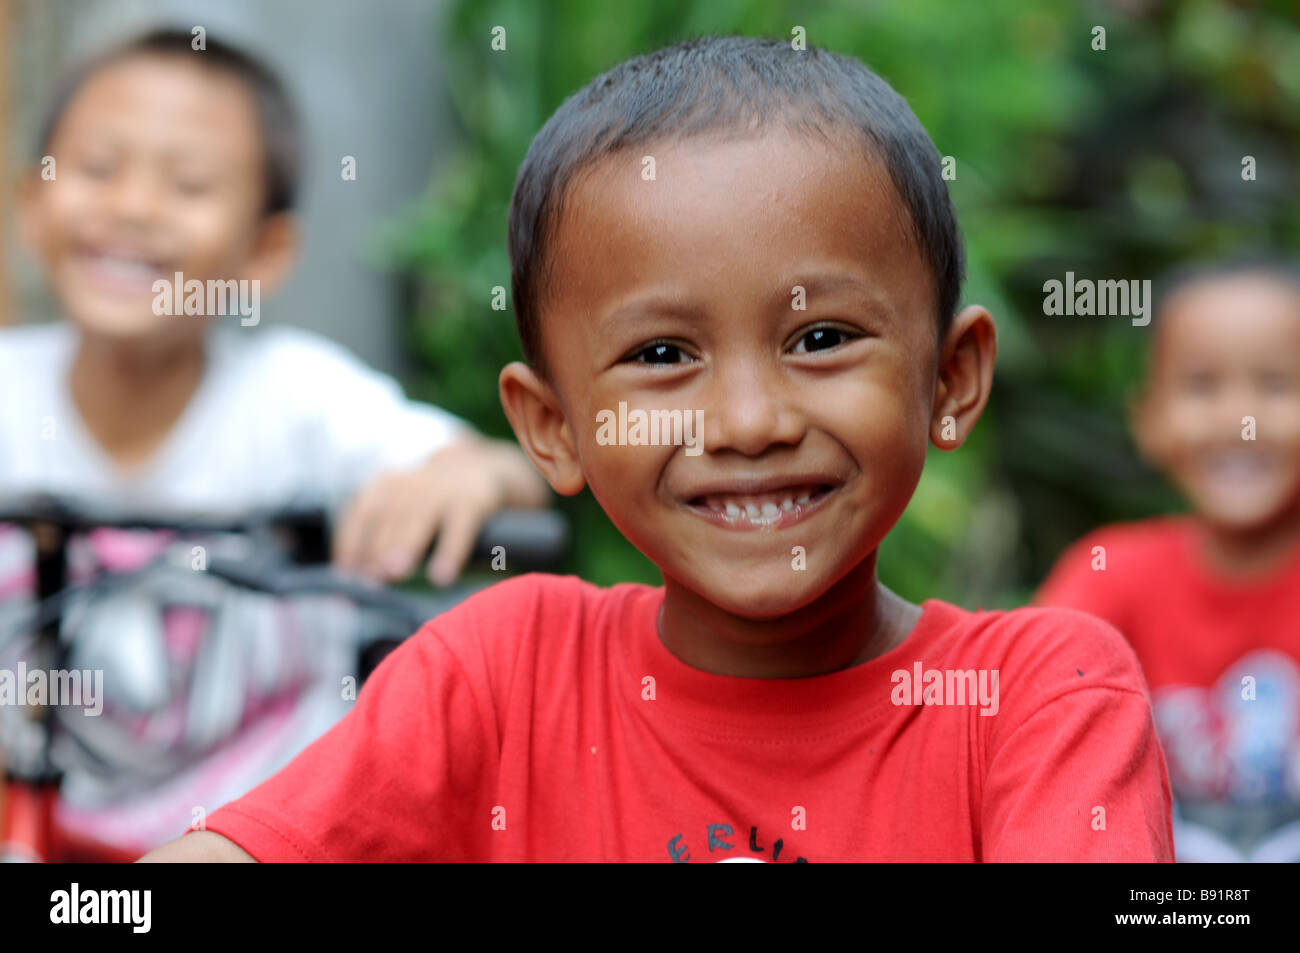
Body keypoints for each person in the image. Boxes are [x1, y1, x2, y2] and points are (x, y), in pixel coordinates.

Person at [143, 35, 1173, 863]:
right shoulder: (505, 672)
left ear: (950, 378)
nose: (745, 420)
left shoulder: (1039, 695)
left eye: (819, 339)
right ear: (553, 427)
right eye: (662, 353)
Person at [0, 28, 548, 859]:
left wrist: (460, 477)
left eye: (187, 184)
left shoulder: (297, 400)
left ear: (264, 251)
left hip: (268, 840)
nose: (133, 206)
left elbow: (509, 473)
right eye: (97, 169)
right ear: (31, 206)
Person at [1037, 257, 1300, 862]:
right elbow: (1033, 708)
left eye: (1278, 385)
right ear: (1148, 418)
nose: (1241, 421)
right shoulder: (1111, 572)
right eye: (1202, 385)